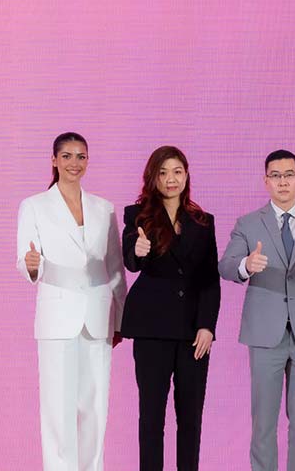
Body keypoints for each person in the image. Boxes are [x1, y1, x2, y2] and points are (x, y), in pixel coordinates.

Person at [219, 150, 295, 471]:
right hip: (264, 334)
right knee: (263, 422)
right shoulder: (248, 223)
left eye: (289, 175)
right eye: (275, 176)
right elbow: (226, 265)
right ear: (266, 181)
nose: (282, 182)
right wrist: (246, 265)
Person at [16, 131, 127, 471]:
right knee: (58, 409)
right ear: (54, 160)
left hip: (98, 316)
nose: (74, 163)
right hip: (57, 317)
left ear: (88, 160)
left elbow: (115, 267)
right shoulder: (34, 206)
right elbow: (27, 258)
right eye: (66, 156)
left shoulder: (103, 208)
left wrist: (120, 319)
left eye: (81, 156)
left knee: (95, 407)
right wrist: (31, 265)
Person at [120, 146, 220, 471]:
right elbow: (131, 260)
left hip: (193, 332)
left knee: (191, 417)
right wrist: (137, 250)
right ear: (153, 177)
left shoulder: (202, 221)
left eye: (177, 171)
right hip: (152, 328)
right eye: (162, 173)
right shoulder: (137, 215)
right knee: (151, 417)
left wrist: (207, 325)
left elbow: (209, 277)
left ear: (186, 175)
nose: (170, 179)